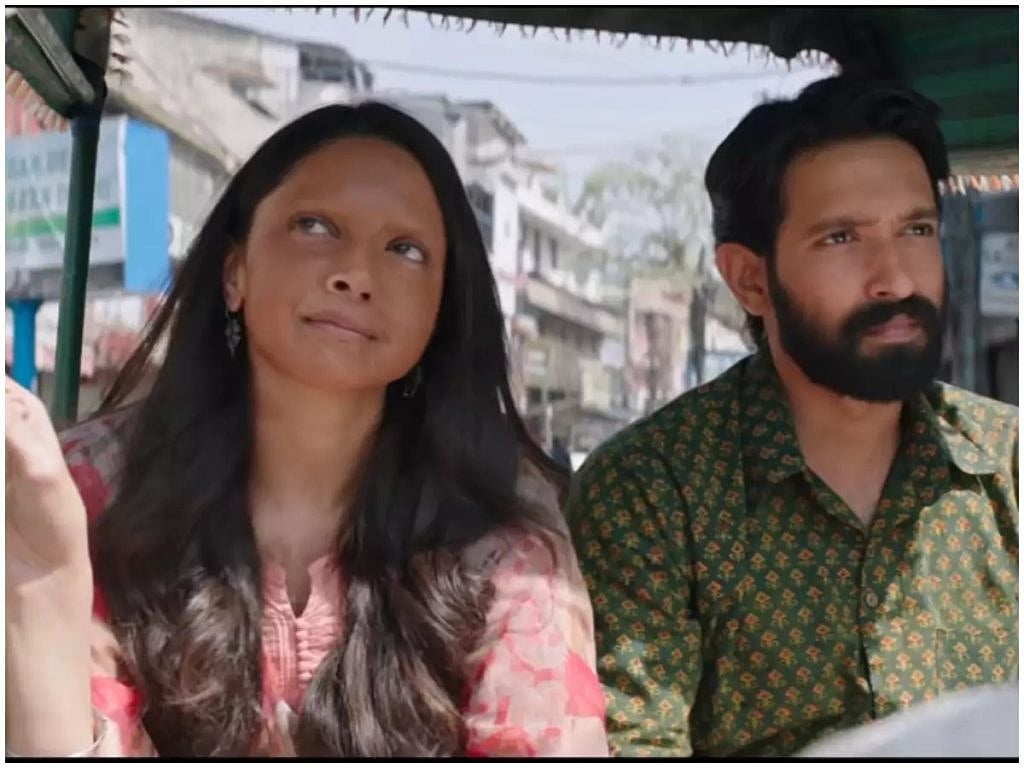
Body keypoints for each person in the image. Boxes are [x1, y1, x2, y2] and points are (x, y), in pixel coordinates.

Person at [6, 103, 608, 758]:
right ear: (234, 272)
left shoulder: (503, 546)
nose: (357, 275)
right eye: (316, 226)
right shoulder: (79, 495)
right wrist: (42, 589)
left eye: (405, 250)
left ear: (441, 309)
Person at [567, 76, 1018, 757]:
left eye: (916, 229)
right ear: (750, 279)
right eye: (841, 238)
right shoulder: (652, 491)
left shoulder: (1007, 464)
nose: (896, 279)